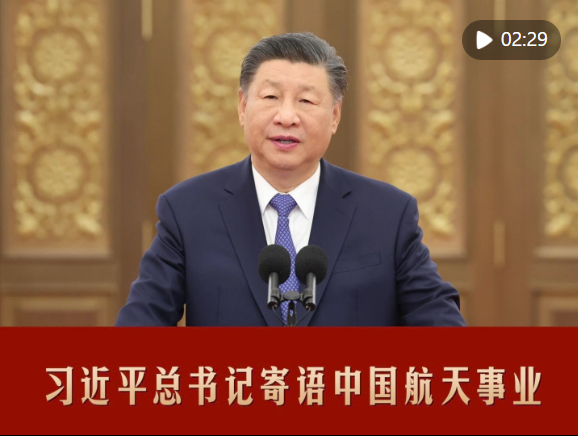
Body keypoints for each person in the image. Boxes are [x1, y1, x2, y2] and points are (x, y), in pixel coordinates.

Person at [116, 32, 466, 327]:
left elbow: (441, 324)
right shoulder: (187, 210)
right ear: (242, 107)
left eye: (306, 101)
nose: (286, 116)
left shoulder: (388, 214)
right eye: (270, 97)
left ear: (334, 116)